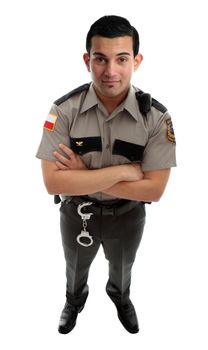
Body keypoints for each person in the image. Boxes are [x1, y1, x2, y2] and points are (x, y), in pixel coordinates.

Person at [36, 15, 176, 335]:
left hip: (127, 216)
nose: (110, 71)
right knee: (74, 267)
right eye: (100, 59)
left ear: (136, 61)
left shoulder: (155, 118)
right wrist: (127, 171)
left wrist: (83, 173)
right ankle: (74, 300)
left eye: (121, 59)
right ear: (88, 60)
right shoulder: (63, 111)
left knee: (123, 267)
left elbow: (153, 191)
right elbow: (53, 182)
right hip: (77, 213)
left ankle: (120, 296)